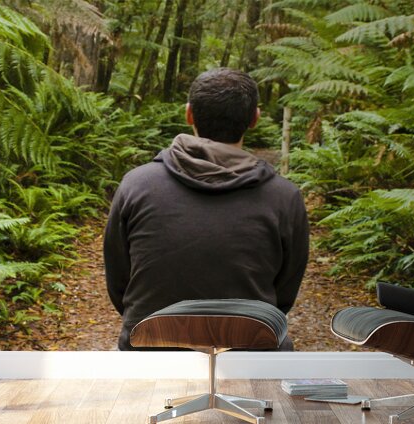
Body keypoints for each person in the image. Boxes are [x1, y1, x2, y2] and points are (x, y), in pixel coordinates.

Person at [103, 68, 309, 351]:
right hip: (250, 354)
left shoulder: (136, 184)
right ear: (254, 119)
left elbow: (119, 282)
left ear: (188, 114)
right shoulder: (285, 196)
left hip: (148, 352)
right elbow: (284, 294)